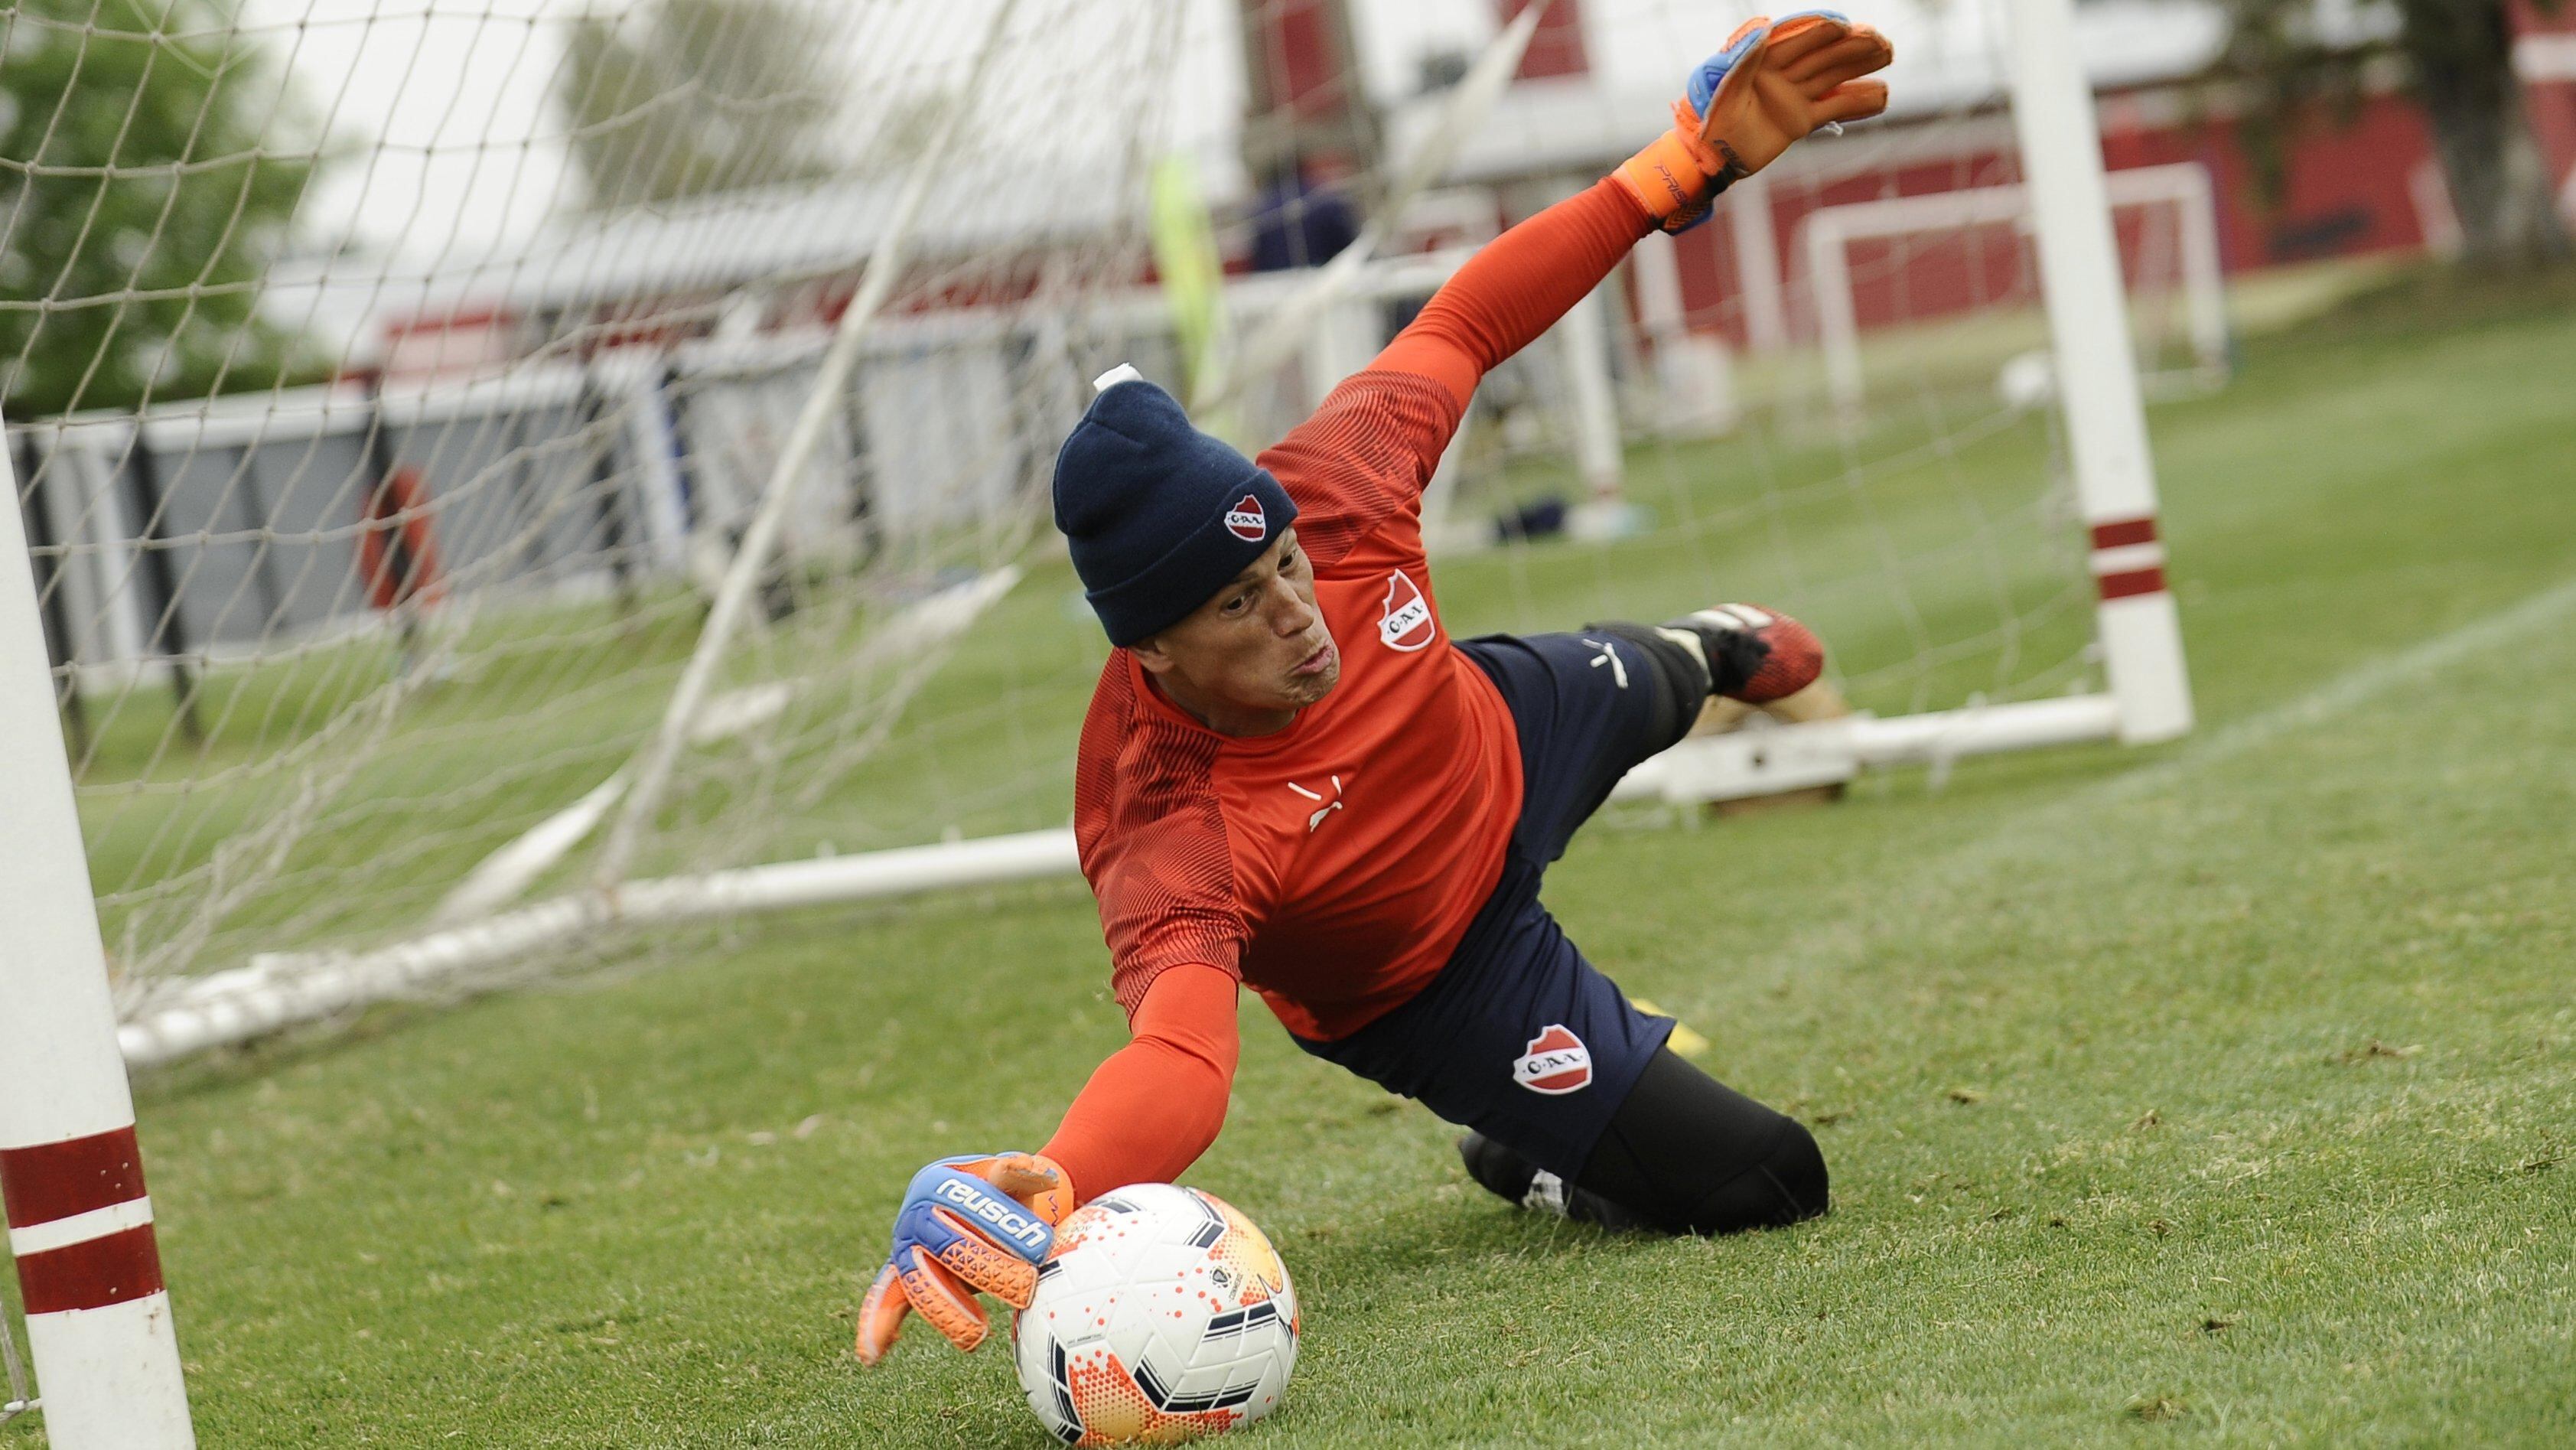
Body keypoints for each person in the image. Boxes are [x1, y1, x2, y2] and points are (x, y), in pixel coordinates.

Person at [856, 11, 1894, 1364]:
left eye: (1288, 564)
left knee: (1721, 666)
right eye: (1242, 603)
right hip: (1445, 981)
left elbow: (1465, 320)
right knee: (1771, 1182)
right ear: (1150, 652)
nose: (1301, 614)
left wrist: (1671, 171)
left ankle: (1699, 648)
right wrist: (1054, 1173)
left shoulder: (1335, 484)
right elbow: (1181, 1061)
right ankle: (1518, 1150)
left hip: (1504, 728)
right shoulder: (1163, 819)